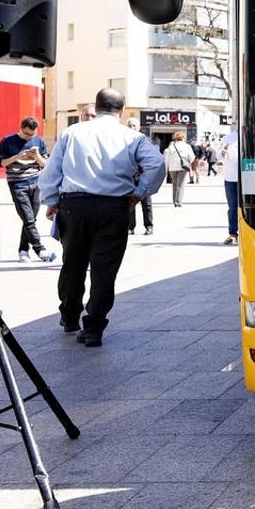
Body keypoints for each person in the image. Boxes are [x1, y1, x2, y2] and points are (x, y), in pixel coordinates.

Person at [40, 89, 165, 347]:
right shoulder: (133, 137)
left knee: (72, 263)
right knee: (104, 269)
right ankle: (94, 326)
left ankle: (70, 315)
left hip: (74, 206)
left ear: (96, 108)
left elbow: (53, 169)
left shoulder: (72, 133)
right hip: (113, 207)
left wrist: (51, 200)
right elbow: (157, 165)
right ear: (121, 110)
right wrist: (140, 193)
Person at [0, 116, 57, 262]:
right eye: (27, 134)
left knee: (31, 219)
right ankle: (40, 250)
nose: (30, 137)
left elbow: (45, 165)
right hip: (17, 184)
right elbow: (1, 163)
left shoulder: (39, 141)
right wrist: (17, 156)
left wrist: (37, 156)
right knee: (28, 219)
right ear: (21, 128)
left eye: (33, 134)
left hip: (36, 183)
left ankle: (23, 250)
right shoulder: (8, 141)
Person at [125, 118, 156, 235]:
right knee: (130, 203)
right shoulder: (123, 140)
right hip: (129, 176)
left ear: (138, 128)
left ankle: (149, 226)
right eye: (129, 125)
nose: (131, 128)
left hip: (143, 175)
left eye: (134, 126)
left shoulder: (145, 141)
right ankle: (130, 226)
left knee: (146, 203)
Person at [164, 131, 195, 207]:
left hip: (172, 168)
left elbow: (166, 157)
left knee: (174, 184)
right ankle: (178, 202)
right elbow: (192, 157)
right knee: (180, 185)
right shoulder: (187, 146)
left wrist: (166, 168)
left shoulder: (171, 146)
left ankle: (174, 201)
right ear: (183, 137)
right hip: (183, 167)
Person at [220, 126, 239, 245]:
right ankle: (233, 233)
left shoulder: (254, 135)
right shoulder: (228, 139)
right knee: (232, 207)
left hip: (250, 176)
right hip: (231, 177)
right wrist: (222, 152)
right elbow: (219, 156)